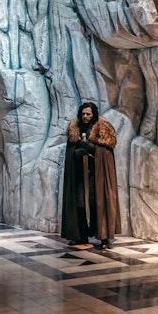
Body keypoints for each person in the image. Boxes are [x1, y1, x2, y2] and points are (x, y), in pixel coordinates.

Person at [60, 101, 121, 249]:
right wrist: (76, 153)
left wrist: (92, 148)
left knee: (99, 202)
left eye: (88, 114)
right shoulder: (75, 130)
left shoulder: (103, 129)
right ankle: (80, 236)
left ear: (94, 114)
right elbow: (70, 152)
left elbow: (106, 154)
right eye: (83, 114)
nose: (85, 116)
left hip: (97, 175)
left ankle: (104, 237)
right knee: (79, 203)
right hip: (80, 175)